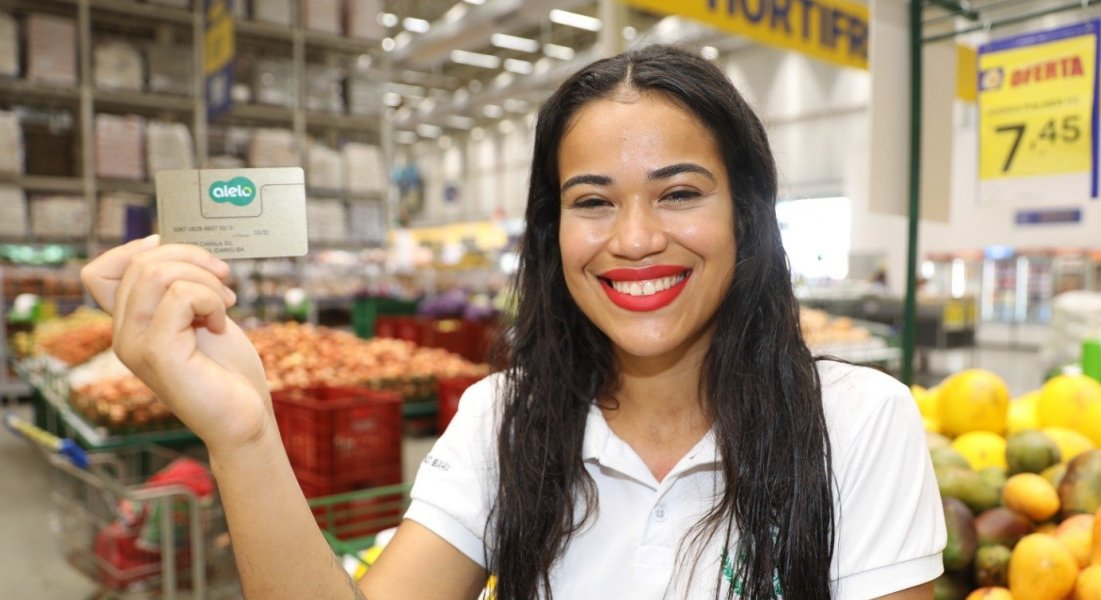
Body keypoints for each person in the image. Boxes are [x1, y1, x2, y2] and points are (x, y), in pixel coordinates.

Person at [82, 45, 944, 599]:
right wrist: (243, 432)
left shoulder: (857, 423)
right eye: (592, 201)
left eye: (680, 193)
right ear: (552, 232)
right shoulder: (505, 420)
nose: (636, 239)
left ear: (749, 218)